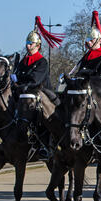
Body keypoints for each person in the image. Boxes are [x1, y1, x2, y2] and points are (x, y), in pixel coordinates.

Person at [12, 16, 64, 160]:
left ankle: (44, 145)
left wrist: (20, 84)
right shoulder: (23, 62)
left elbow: (35, 81)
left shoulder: (41, 62)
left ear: (38, 45)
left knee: (41, 116)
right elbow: (18, 75)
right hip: (23, 94)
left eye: (31, 43)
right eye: (27, 43)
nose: (28, 45)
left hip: (41, 95)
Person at [74, 11, 101, 78]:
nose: (89, 42)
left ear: (100, 40)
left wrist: (87, 73)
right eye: (88, 40)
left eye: (92, 40)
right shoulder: (86, 57)